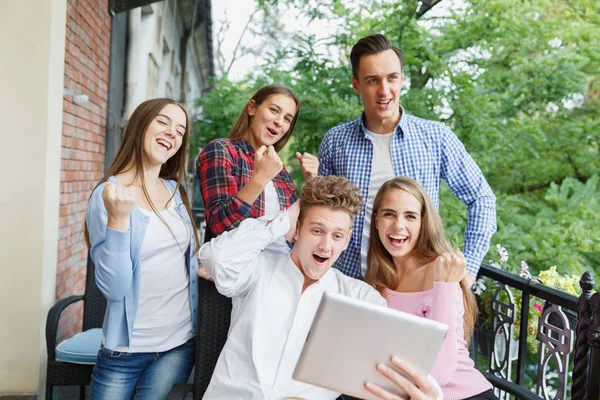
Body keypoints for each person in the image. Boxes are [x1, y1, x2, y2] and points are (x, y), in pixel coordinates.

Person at [318, 33, 496, 286]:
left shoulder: (436, 137)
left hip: (419, 288)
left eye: (392, 78)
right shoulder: (336, 142)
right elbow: (323, 214)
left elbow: (482, 198)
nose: (384, 90)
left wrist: (469, 269)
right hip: (348, 283)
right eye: (372, 80)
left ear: (402, 79)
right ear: (356, 85)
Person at [199, 176, 389, 399]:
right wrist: (282, 221)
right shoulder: (258, 270)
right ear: (297, 229)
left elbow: (389, 364)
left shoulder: (361, 298)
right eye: (317, 231)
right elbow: (215, 258)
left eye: (337, 236)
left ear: (346, 241)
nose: (326, 246)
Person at [84, 98, 199, 399]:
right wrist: (120, 218)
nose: (172, 132)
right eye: (163, 121)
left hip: (178, 344)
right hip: (126, 351)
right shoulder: (108, 195)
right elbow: (115, 287)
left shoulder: (176, 192)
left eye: (180, 129)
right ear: (140, 125)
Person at [365, 177, 497, 400]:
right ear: (376, 219)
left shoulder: (441, 273)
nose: (398, 225)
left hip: (463, 395)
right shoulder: (378, 280)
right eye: (389, 214)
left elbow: (439, 373)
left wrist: (445, 286)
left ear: (423, 223)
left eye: (410, 216)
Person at [196, 83, 318, 257]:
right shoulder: (222, 151)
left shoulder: (281, 173)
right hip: (234, 275)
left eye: (287, 119)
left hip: (277, 274)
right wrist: (261, 177)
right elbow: (219, 226)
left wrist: (311, 183)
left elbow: (297, 232)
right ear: (252, 108)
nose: (279, 122)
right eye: (274, 110)